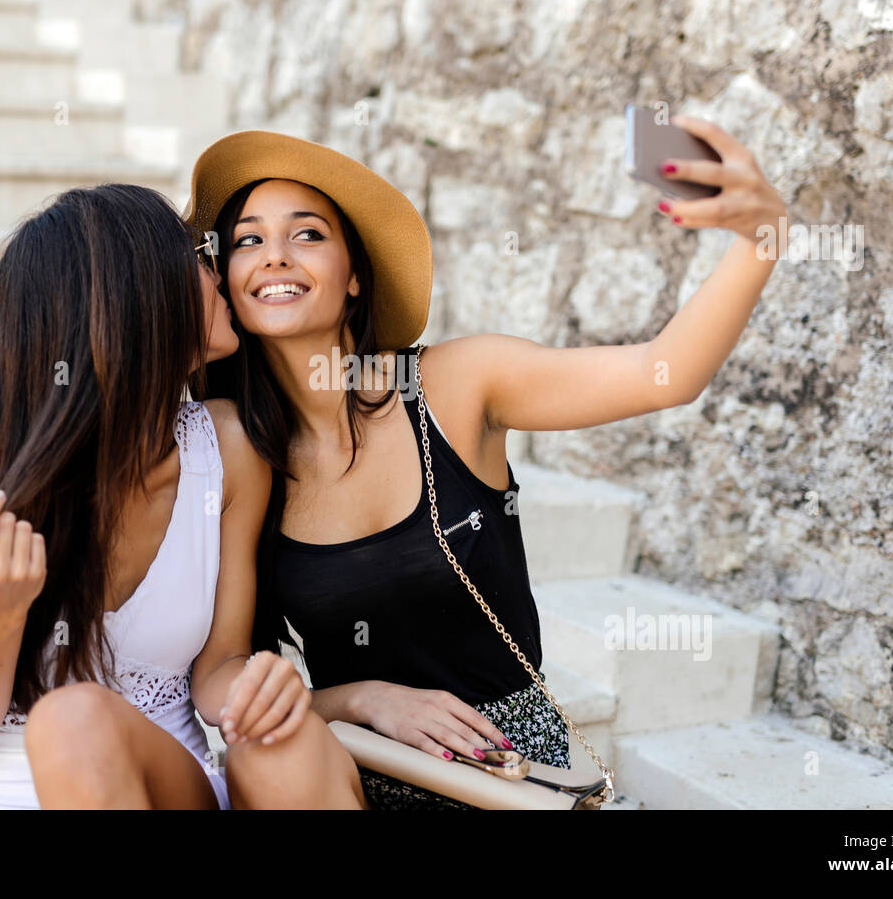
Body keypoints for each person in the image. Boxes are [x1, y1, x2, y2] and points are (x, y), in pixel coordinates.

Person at [187, 123, 787, 807]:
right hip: (356, 762)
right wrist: (364, 700)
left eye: (308, 234)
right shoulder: (238, 448)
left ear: (354, 275)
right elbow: (220, 673)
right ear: (227, 282)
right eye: (247, 241)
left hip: (507, 769)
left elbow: (665, 373)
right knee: (263, 755)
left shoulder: (456, 385)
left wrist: (760, 237)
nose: (275, 257)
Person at [0, 182, 366, 809]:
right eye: (196, 260)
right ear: (136, 299)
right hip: (11, 785)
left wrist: (270, 687)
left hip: (168, 780)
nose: (218, 277)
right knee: (69, 721)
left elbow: (217, 672)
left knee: (96, 720)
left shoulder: (228, 451)